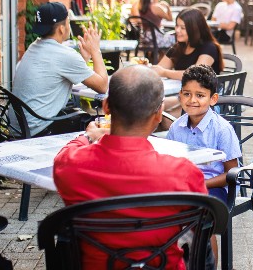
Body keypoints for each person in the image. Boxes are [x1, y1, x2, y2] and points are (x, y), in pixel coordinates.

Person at [53, 65, 208, 270]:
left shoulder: (71, 165)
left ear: (106, 106)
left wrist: (88, 136)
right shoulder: (184, 173)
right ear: (159, 114)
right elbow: (203, 228)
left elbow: (64, 155)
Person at [166, 64, 241, 265]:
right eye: (187, 94)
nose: (192, 100)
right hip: (185, 188)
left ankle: (208, 265)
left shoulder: (222, 129)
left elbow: (232, 173)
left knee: (201, 217)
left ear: (212, 99)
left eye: (200, 95)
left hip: (214, 190)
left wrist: (201, 184)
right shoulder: (176, 127)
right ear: (180, 95)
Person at [12, 1, 108, 136]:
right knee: (98, 125)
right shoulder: (64, 55)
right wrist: (96, 50)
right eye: (68, 21)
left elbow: (57, 72)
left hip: (20, 128)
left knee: (78, 113)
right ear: (62, 29)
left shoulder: (34, 47)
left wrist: (83, 59)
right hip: (39, 130)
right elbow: (103, 86)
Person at [152, 8, 224, 119]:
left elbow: (195, 75)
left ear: (194, 29)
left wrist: (165, 72)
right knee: (152, 108)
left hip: (204, 101)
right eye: (177, 26)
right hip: (183, 95)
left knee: (164, 118)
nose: (177, 30)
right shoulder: (179, 47)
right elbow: (158, 69)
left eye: (183, 28)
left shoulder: (209, 47)